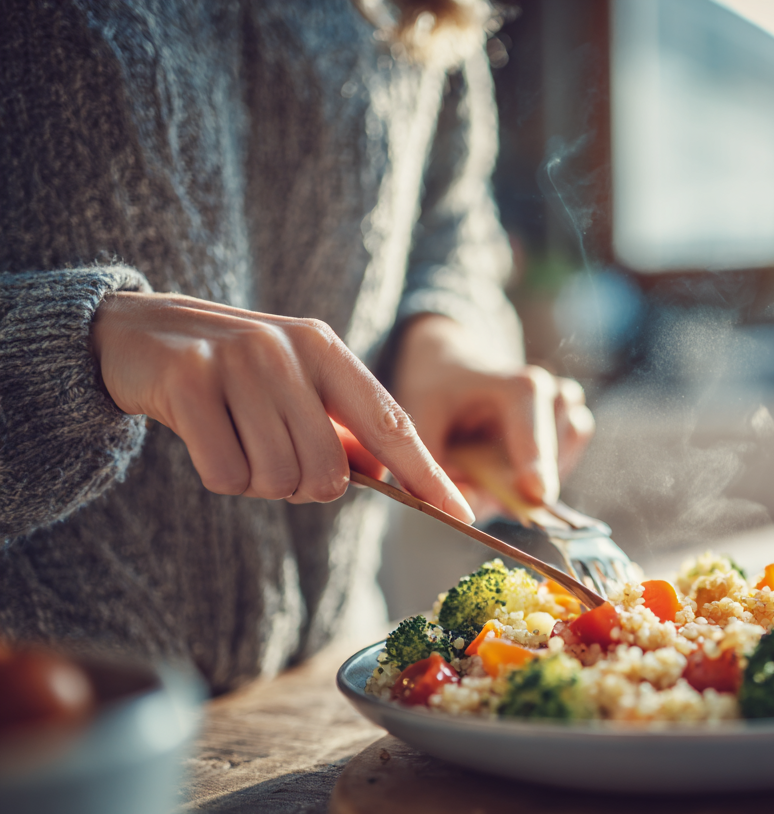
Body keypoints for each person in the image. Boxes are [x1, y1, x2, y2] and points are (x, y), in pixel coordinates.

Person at [0, 0, 592, 691]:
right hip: (39, 743)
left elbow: (451, 224)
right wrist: (74, 346)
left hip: (326, 690)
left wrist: (444, 336)